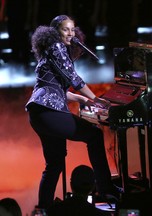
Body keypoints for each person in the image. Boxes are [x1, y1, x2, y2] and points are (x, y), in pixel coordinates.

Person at [25, 14, 118, 210]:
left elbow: (52, 89)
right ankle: (106, 190)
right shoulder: (57, 47)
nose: (70, 34)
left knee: (54, 164)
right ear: (54, 32)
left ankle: (44, 209)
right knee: (94, 135)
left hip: (39, 114)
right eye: (65, 29)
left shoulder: (48, 53)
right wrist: (94, 98)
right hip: (49, 113)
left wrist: (80, 99)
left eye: (73, 29)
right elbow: (73, 77)